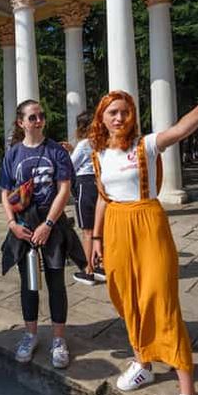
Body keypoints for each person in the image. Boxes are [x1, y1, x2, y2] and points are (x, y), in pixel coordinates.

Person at [89, 87, 198, 395]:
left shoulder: (146, 144)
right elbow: (102, 199)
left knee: (161, 301)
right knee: (126, 299)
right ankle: (143, 363)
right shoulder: (98, 154)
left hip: (148, 224)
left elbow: (179, 130)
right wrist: (95, 239)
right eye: (113, 112)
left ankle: (187, 391)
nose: (120, 117)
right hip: (116, 228)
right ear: (102, 119)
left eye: (125, 111)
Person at [0, 100, 86, 370]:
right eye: (33, 117)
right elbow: (5, 191)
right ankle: (30, 334)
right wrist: (12, 223)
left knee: (56, 281)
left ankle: (58, 340)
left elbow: (64, 189)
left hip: (52, 226)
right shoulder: (13, 154)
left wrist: (48, 224)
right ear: (21, 122)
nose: (38, 120)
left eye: (41, 116)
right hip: (24, 226)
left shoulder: (56, 151)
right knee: (29, 283)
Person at [69, 112, 105, 286]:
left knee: (87, 231)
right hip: (101, 185)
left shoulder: (84, 143)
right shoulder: (103, 141)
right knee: (99, 229)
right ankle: (101, 266)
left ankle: (88, 270)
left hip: (85, 185)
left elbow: (70, 166)